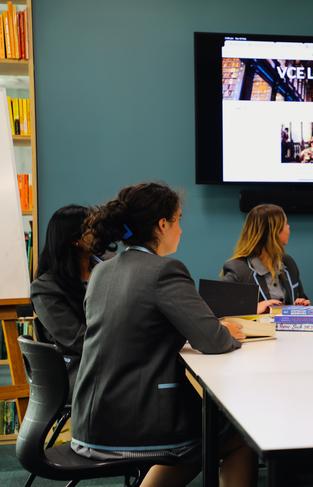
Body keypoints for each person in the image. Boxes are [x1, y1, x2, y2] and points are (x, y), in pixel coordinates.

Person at [72, 182, 256, 487]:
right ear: (162, 225)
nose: (181, 230)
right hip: (136, 423)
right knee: (237, 435)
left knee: (206, 439)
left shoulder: (103, 270)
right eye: (179, 220)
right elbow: (213, 340)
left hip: (91, 422)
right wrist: (226, 331)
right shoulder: (164, 270)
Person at [31, 205, 98, 391]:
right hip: (75, 371)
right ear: (75, 239)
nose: (101, 232)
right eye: (93, 227)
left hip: (106, 361)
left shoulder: (108, 269)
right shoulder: (44, 289)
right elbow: (78, 341)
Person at [222, 203, 309, 314]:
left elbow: (301, 297)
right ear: (273, 232)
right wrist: (253, 309)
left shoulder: (288, 263)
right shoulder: (237, 270)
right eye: (285, 223)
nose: (289, 227)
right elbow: (220, 310)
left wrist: (301, 305)